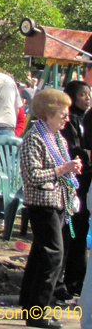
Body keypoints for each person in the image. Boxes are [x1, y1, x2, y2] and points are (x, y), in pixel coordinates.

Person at [19, 89, 82, 329]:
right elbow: (32, 175)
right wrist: (61, 170)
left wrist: (70, 168)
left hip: (57, 201)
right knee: (53, 255)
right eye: (63, 115)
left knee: (40, 255)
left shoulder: (58, 138)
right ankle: (39, 312)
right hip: (41, 202)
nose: (66, 119)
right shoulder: (34, 137)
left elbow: (62, 166)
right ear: (48, 114)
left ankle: (29, 305)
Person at [55, 81, 92, 299]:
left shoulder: (84, 117)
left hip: (85, 178)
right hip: (71, 180)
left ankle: (76, 281)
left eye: (89, 94)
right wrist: (85, 155)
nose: (87, 98)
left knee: (80, 233)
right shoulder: (68, 121)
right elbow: (70, 148)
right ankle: (63, 283)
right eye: (82, 94)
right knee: (69, 232)